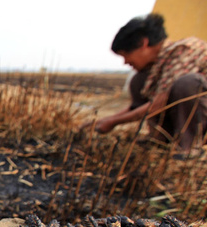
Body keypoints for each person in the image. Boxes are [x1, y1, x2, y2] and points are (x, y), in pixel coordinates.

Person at [86, 13, 207, 154]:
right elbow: (138, 107)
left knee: (187, 83)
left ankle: (188, 149)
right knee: (140, 80)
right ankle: (160, 141)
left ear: (143, 43)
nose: (126, 62)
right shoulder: (159, 65)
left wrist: (113, 122)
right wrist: (105, 121)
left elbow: (158, 104)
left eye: (126, 55)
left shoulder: (185, 50)